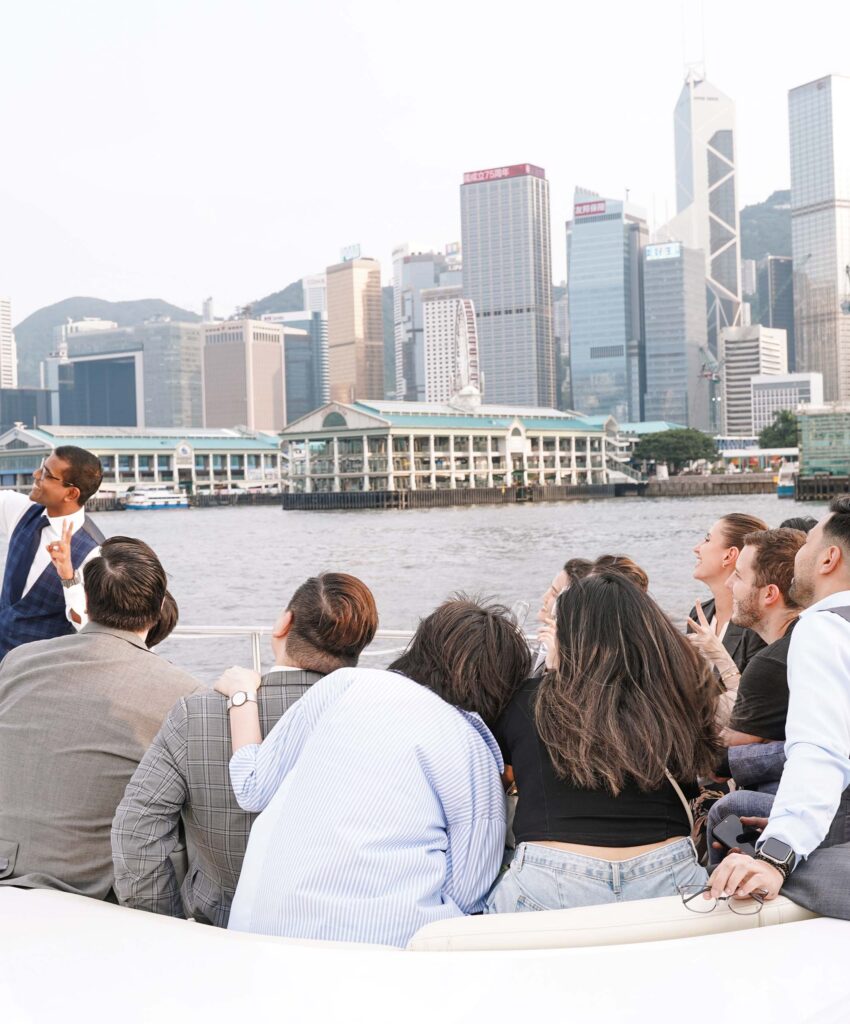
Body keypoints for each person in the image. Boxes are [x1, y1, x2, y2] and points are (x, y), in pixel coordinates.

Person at [215, 597, 531, 948]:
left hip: (257, 932)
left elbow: (252, 786)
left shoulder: (344, 684)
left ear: (420, 645)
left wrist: (242, 695)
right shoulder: (472, 745)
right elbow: (469, 890)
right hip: (385, 953)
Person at [111, 573, 378, 926]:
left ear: (284, 623)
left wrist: (167, 925)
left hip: (219, 927)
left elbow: (135, 833)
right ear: (360, 643)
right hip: (338, 932)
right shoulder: (376, 717)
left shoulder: (196, 714)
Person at [486, 573, 720, 914]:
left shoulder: (526, 702)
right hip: (668, 874)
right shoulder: (680, 699)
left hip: (550, 876)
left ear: (569, 637)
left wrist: (553, 668)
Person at [0, 537, 201, 899]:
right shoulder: (184, 694)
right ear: (160, 608)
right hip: (94, 887)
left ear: (87, 602)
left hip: (7, 867)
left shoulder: (18, 661)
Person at [707, 496, 850, 916]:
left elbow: (819, 753)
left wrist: (774, 859)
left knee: (738, 852)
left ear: (829, 558)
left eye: (807, 545)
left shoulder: (825, 627)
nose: (798, 554)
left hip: (838, 827)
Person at [0, 446, 104, 657]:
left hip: (40, 669)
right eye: (42, 467)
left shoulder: (95, 553)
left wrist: (68, 577)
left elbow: (88, 626)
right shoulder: (22, 509)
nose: (36, 475)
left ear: (71, 493)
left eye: (47, 474)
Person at [687, 512, 769, 674]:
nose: (696, 549)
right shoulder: (698, 615)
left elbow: (752, 697)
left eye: (707, 539)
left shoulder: (756, 626)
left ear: (729, 555)